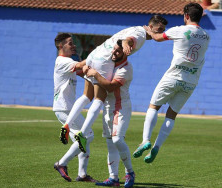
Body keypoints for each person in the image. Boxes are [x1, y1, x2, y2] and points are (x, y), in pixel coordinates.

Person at [60, 15, 168, 155]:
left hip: (95, 54)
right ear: (151, 27)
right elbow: (128, 40)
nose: (160, 33)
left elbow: (127, 38)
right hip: (105, 60)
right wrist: (124, 44)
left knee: (87, 96)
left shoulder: (136, 29)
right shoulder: (141, 35)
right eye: (159, 29)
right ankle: (82, 133)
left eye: (163, 30)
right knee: (99, 99)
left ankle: (67, 125)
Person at [133, 3, 210, 163]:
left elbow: (157, 38)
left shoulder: (179, 30)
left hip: (174, 76)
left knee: (154, 106)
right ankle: (156, 147)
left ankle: (145, 140)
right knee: (171, 115)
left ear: (187, 16)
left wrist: (148, 30)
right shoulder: (206, 36)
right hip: (191, 81)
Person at [84, 40, 135, 187]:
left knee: (117, 139)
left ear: (125, 52)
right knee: (110, 143)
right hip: (107, 107)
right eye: (113, 49)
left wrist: (95, 74)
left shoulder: (126, 68)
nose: (113, 52)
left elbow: (111, 87)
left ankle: (130, 173)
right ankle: (113, 178)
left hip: (121, 107)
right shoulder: (109, 64)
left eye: (118, 51)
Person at [52, 33, 97, 182]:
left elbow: (80, 71)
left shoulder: (66, 62)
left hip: (65, 108)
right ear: (61, 46)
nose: (73, 46)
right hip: (65, 108)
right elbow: (79, 66)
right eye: (70, 43)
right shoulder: (62, 61)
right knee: (87, 136)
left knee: (83, 141)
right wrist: (96, 57)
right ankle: (61, 163)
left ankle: (82, 174)